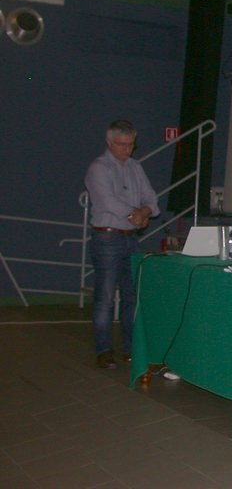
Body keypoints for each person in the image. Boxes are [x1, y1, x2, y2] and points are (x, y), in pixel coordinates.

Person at [85, 120, 159, 370]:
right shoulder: (99, 168)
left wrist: (145, 210)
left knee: (131, 297)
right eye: (122, 145)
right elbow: (108, 201)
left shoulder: (135, 167)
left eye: (131, 145)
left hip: (130, 239)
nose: (127, 150)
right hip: (107, 238)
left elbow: (151, 197)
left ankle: (130, 349)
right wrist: (137, 214)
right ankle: (104, 350)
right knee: (105, 298)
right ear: (109, 142)